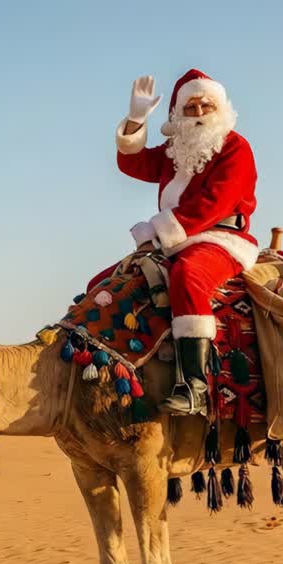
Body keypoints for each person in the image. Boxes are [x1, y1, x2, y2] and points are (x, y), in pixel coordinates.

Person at [115, 69, 259, 415]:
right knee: (110, 281)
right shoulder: (174, 151)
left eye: (205, 106)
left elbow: (214, 204)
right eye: (190, 107)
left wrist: (157, 230)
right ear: (177, 114)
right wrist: (136, 119)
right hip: (175, 240)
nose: (197, 114)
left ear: (219, 109)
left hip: (222, 238)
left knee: (188, 275)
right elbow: (132, 164)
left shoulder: (235, 148)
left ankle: (194, 385)